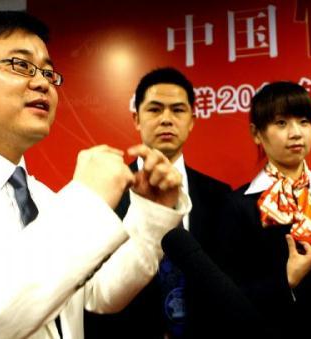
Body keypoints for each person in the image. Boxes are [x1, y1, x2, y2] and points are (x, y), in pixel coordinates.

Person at [0, 11, 192, 339]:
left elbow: (100, 294)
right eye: (19, 65)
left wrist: (151, 217)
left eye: (49, 72)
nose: (42, 82)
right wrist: (86, 203)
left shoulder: (42, 197)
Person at [84, 67, 231, 339]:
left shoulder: (221, 196)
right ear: (136, 118)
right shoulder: (105, 190)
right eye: (154, 109)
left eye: (177, 110)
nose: (166, 119)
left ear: (192, 120)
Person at [216, 81, 311, 339]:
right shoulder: (237, 205)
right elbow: (227, 297)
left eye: (304, 121)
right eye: (281, 123)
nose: (296, 133)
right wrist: (285, 280)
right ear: (256, 133)